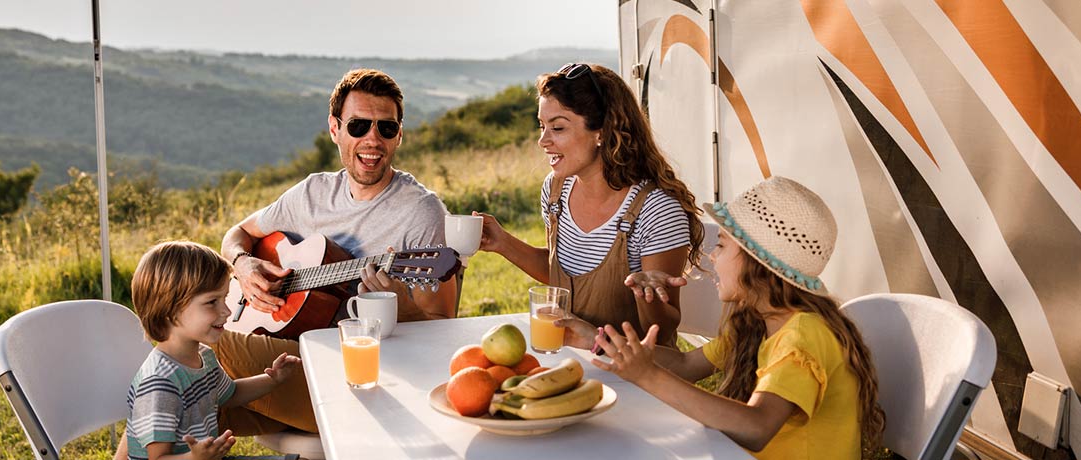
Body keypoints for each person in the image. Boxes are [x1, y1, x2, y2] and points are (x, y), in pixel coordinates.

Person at [216, 68, 456, 434]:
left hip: (367, 378)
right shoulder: (312, 193)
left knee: (203, 347)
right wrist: (244, 264)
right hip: (291, 361)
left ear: (399, 135)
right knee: (183, 405)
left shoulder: (421, 212)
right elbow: (239, 233)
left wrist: (404, 310)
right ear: (335, 129)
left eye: (386, 128)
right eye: (359, 126)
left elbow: (444, 333)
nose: (373, 140)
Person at [593, 177, 886, 458]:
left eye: (720, 245)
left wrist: (648, 376)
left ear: (755, 261)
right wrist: (597, 340)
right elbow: (685, 364)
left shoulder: (803, 335)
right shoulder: (757, 322)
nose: (712, 256)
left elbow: (757, 427)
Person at [473, 63, 705, 348]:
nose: (542, 141)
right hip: (572, 361)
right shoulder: (556, 190)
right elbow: (565, 274)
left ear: (602, 131)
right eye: (542, 126)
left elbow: (664, 328)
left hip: (639, 378)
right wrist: (503, 243)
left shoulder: (656, 210)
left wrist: (646, 295)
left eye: (557, 127)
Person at [115, 241, 302, 460]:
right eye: (212, 302)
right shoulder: (160, 382)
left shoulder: (203, 354)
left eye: (223, 299)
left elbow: (230, 394)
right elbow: (157, 458)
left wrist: (272, 380)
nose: (227, 311)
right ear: (170, 310)